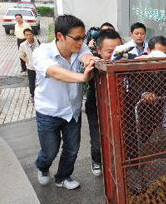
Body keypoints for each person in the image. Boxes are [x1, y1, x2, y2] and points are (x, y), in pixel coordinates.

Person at [33, 14, 98, 190]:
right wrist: (82, 77)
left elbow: (86, 56)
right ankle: (42, 166)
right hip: (49, 111)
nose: (81, 42)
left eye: (83, 38)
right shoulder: (42, 52)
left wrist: (90, 60)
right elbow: (55, 72)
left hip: (73, 111)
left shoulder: (80, 47)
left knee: (72, 149)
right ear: (60, 36)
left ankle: (63, 176)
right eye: (76, 38)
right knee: (50, 150)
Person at [85, 29, 123, 176]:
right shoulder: (94, 63)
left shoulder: (124, 62)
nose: (114, 55)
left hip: (119, 107)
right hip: (96, 108)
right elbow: (84, 73)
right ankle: (96, 160)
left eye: (118, 51)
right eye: (109, 51)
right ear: (98, 50)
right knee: (98, 138)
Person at [18, 28, 41, 100]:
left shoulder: (37, 42)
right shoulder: (22, 45)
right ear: (24, 36)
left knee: (41, 81)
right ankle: (33, 95)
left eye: (30, 34)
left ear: (33, 34)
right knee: (31, 82)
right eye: (26, 35)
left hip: (39, 66)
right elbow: (21, 55)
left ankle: (41, 95)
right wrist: (28, 61)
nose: (28, 36)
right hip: (30, 67)